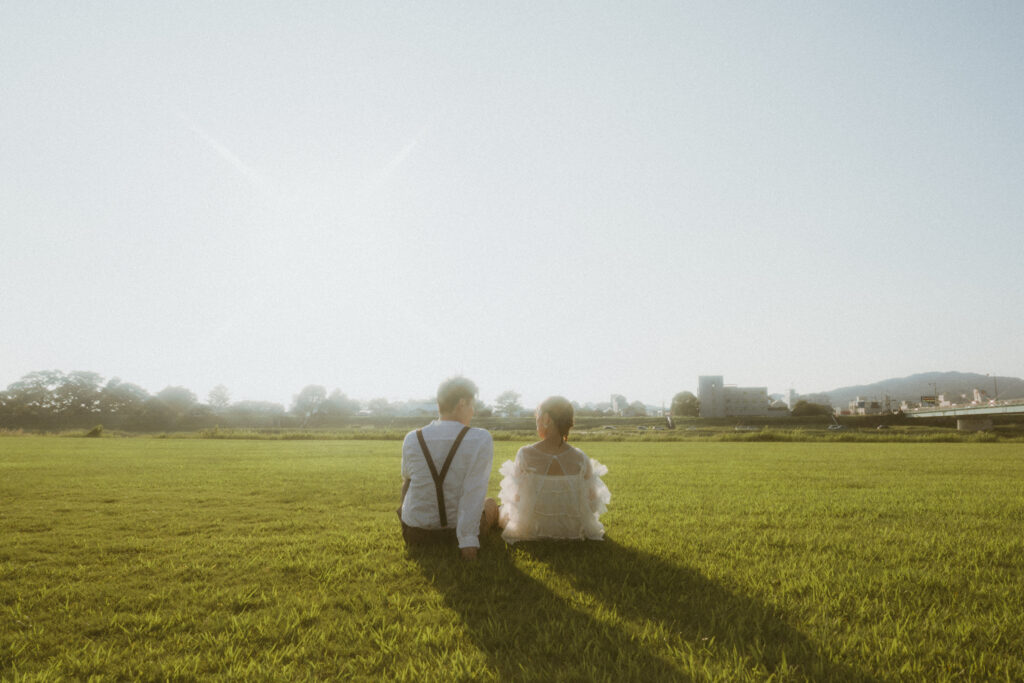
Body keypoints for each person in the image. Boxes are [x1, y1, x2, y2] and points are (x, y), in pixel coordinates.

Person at [399, 377, 497, 560]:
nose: (473, 411)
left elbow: (407, 482)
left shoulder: (412, 438)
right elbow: (474, 491)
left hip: (415, 533)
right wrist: (468, 543)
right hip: (454, 536)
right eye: (472, 405)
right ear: (461, 403)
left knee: (408, 482)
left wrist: (406, 519)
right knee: (490, 504)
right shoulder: (480, 438)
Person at [498, 396, 610, 544]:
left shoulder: (525, 454)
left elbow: (516, 499)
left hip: (532, 528)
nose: (536, 423)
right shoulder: (580, 458)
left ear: (546, 419)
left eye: (537, 418)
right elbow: (593, 504)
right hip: (572, 529)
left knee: (496, 508)